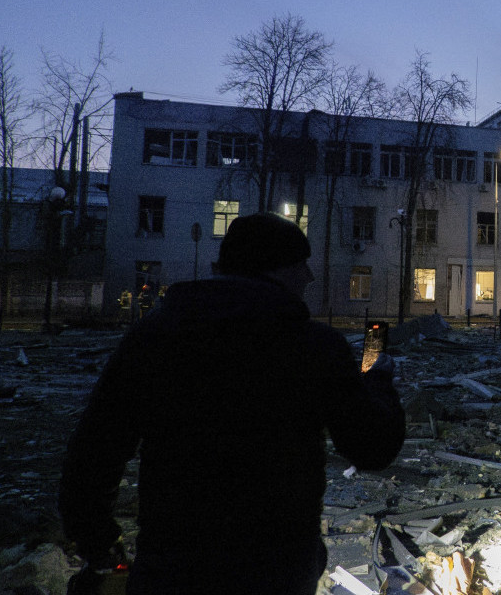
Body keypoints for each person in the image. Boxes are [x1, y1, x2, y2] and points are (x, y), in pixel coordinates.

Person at [59, 213, 405, 594]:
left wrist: (100, 544)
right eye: (301, 265)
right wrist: (378, 381)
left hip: (172, 569)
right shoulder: (311, 345)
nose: (309, 276)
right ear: (277, 268)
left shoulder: (153, 336)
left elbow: (94, 452)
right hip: (275, 572)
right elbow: (372, 446)